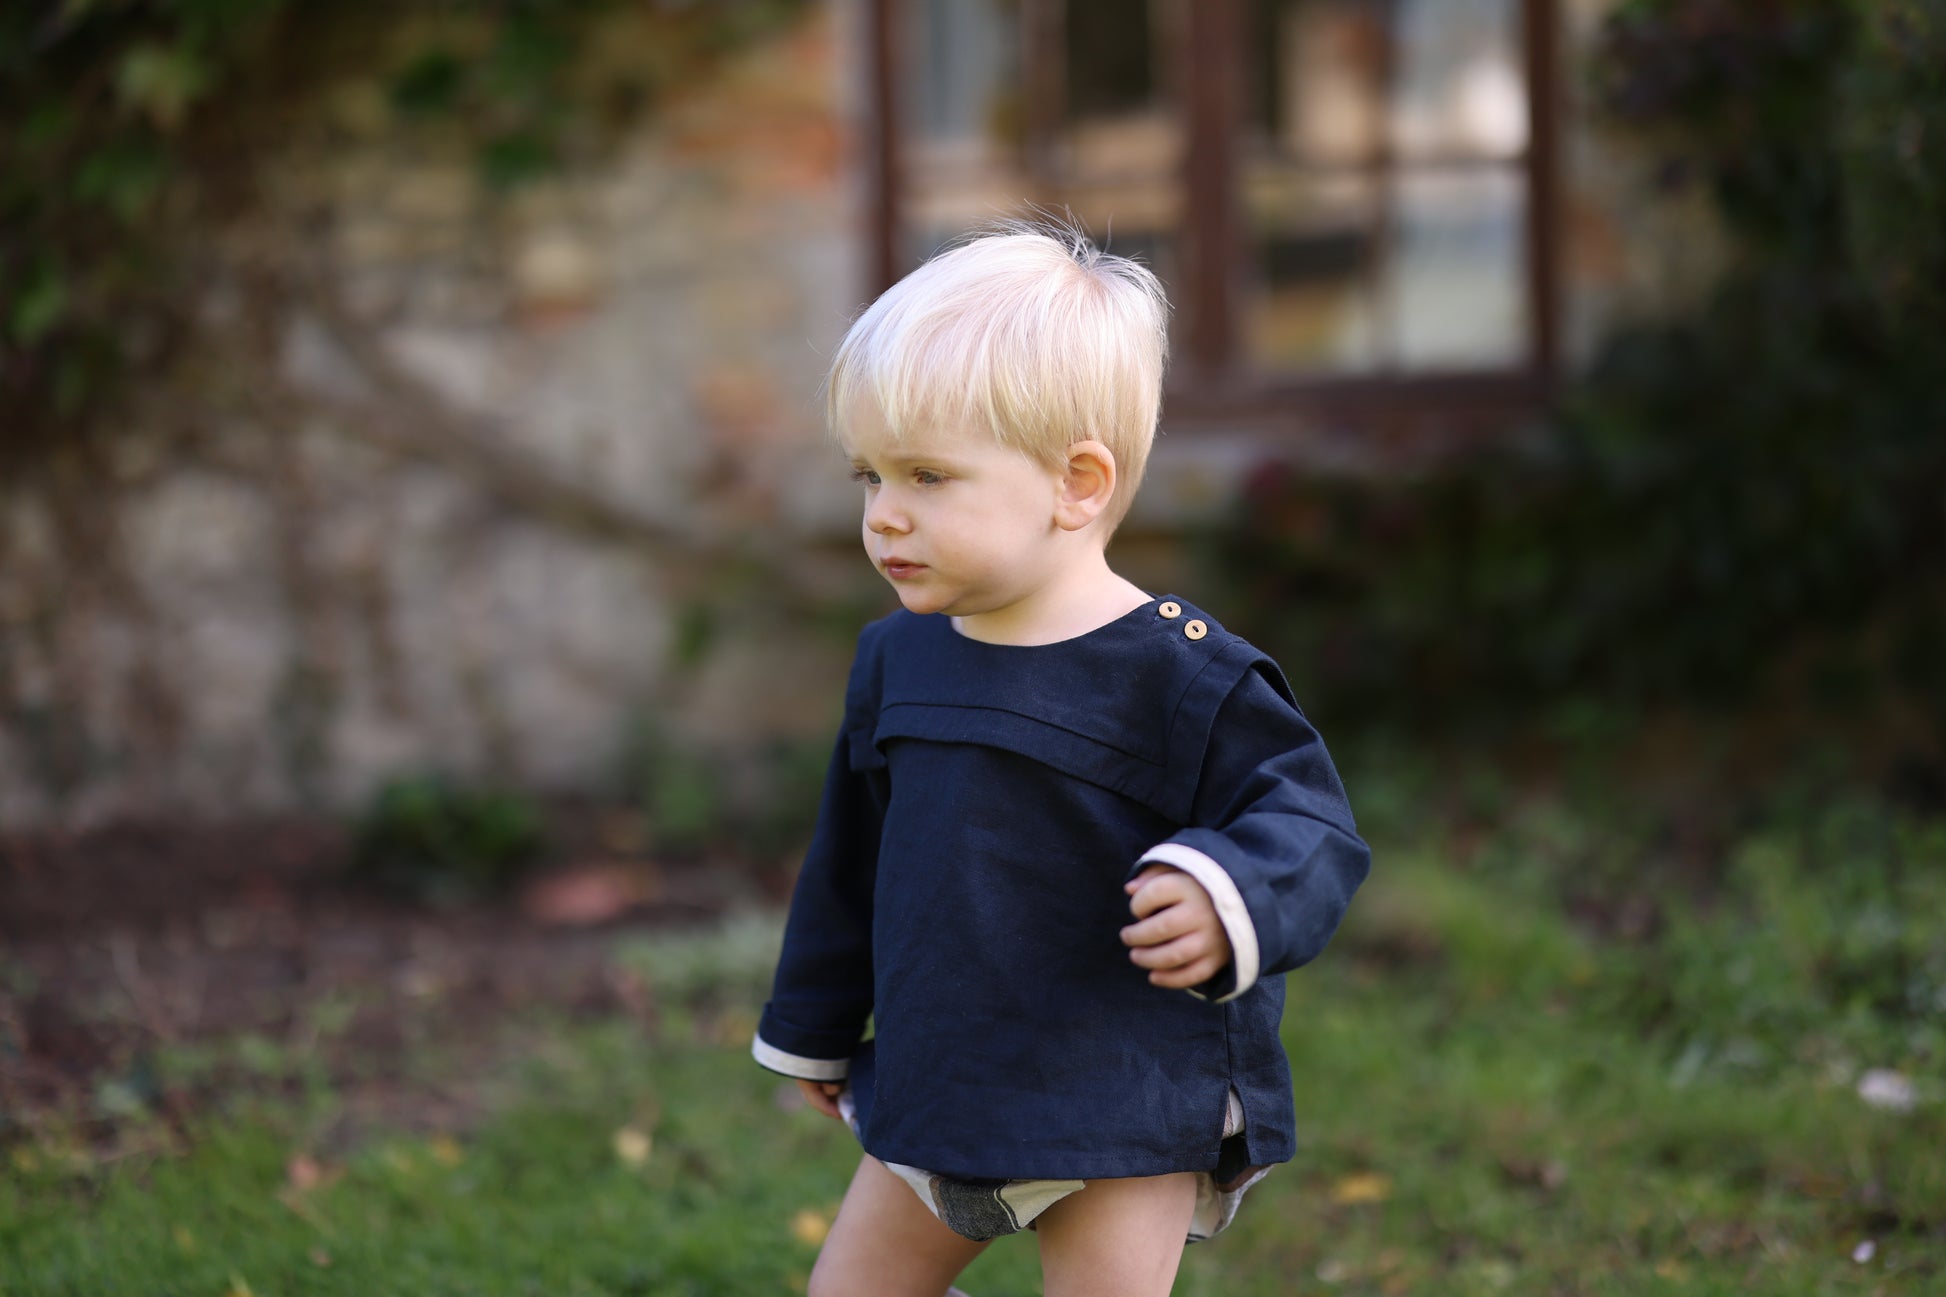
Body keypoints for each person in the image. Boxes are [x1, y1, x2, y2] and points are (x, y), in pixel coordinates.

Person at [751, 222, 1371, 1297]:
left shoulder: (1182, 676)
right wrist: (814, 1025)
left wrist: (1224, 891)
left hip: (1125, 1095)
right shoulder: (899, 658)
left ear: (1075, 483)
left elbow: (1310, 828)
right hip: (945, 1076)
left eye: (927, 475)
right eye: (869, 476)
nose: (883, 515)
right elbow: (849, 859)